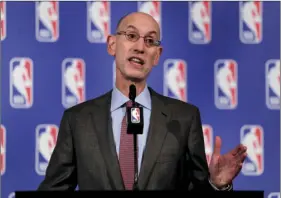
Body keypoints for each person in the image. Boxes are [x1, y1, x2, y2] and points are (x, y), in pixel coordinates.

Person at [37, 12, 247, 191]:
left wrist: (216, 185)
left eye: (150, 41)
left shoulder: (184, 118)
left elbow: (197, 188)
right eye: (131, 35)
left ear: (157, 55)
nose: (140, 47)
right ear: (112, 44)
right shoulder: (78, 120)